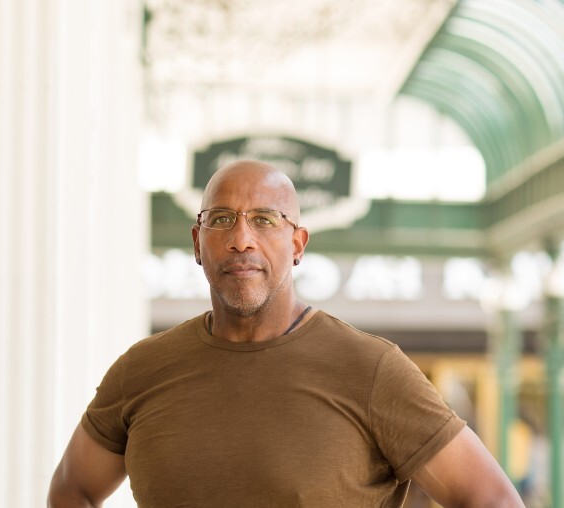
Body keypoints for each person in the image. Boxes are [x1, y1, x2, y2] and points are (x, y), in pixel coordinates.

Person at [48, 159, 524, 507]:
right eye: (221, 219)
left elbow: (492, 501)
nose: (241, 238)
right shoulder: (142, 370)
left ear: (297, 244)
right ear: (198, 243)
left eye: (264, 219)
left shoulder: (371, 370)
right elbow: (72, 489)